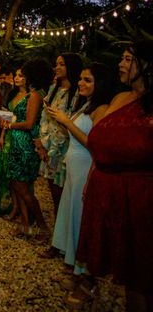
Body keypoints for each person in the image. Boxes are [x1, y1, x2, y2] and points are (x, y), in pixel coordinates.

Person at [77, 41, 153, 311]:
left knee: (141, 273)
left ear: (146, 64)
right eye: (120, 58)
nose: (120, 64)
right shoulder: (120, 98)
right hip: (105, 188)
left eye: (127, 59)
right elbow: (100, 143)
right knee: (125, 275)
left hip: (140, 197)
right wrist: (92, 176)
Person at [45, 63, 111, 306]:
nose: (81, 83)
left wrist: (67, 121)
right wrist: (61, 120)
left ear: (100, 84)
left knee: (82, 220)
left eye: (88, 80)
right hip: (72, 167)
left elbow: (95, 143)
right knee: (72, 217)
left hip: (85, 168)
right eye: (81, 79)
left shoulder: (102, 109)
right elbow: (72, 133)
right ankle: (75, 269)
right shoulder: (86, 104)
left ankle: (88, 278)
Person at [1, 58, 53, 243]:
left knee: (23, 187)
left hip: (25, 144)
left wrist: (10, 125)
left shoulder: (35, 96)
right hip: (16, 141)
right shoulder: (31, 93)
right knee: (16, 184)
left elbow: (30, 123)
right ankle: (25, 225)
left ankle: (43, 226)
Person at [35, 53, 83, 218]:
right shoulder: (53, 90)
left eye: (62, 64)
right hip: (49, 147)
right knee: (54, 193)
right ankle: (57, 233)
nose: (57, 68)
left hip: (66, 147)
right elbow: (44, 118)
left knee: (66, 194)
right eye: (56, 64)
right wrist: (41, 143)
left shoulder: (78, 93)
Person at [0, 67, 26, 217]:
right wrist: (3, 135)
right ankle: (14, 206)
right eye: (15, 75)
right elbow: (10, 115)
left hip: (22, 137)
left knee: (19, 177)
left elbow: (29, 122)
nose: (16, 78)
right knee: (6, 174)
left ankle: (24, 212)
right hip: (8, 133)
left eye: (20, 75)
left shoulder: (32, 96)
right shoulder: (13, 93)